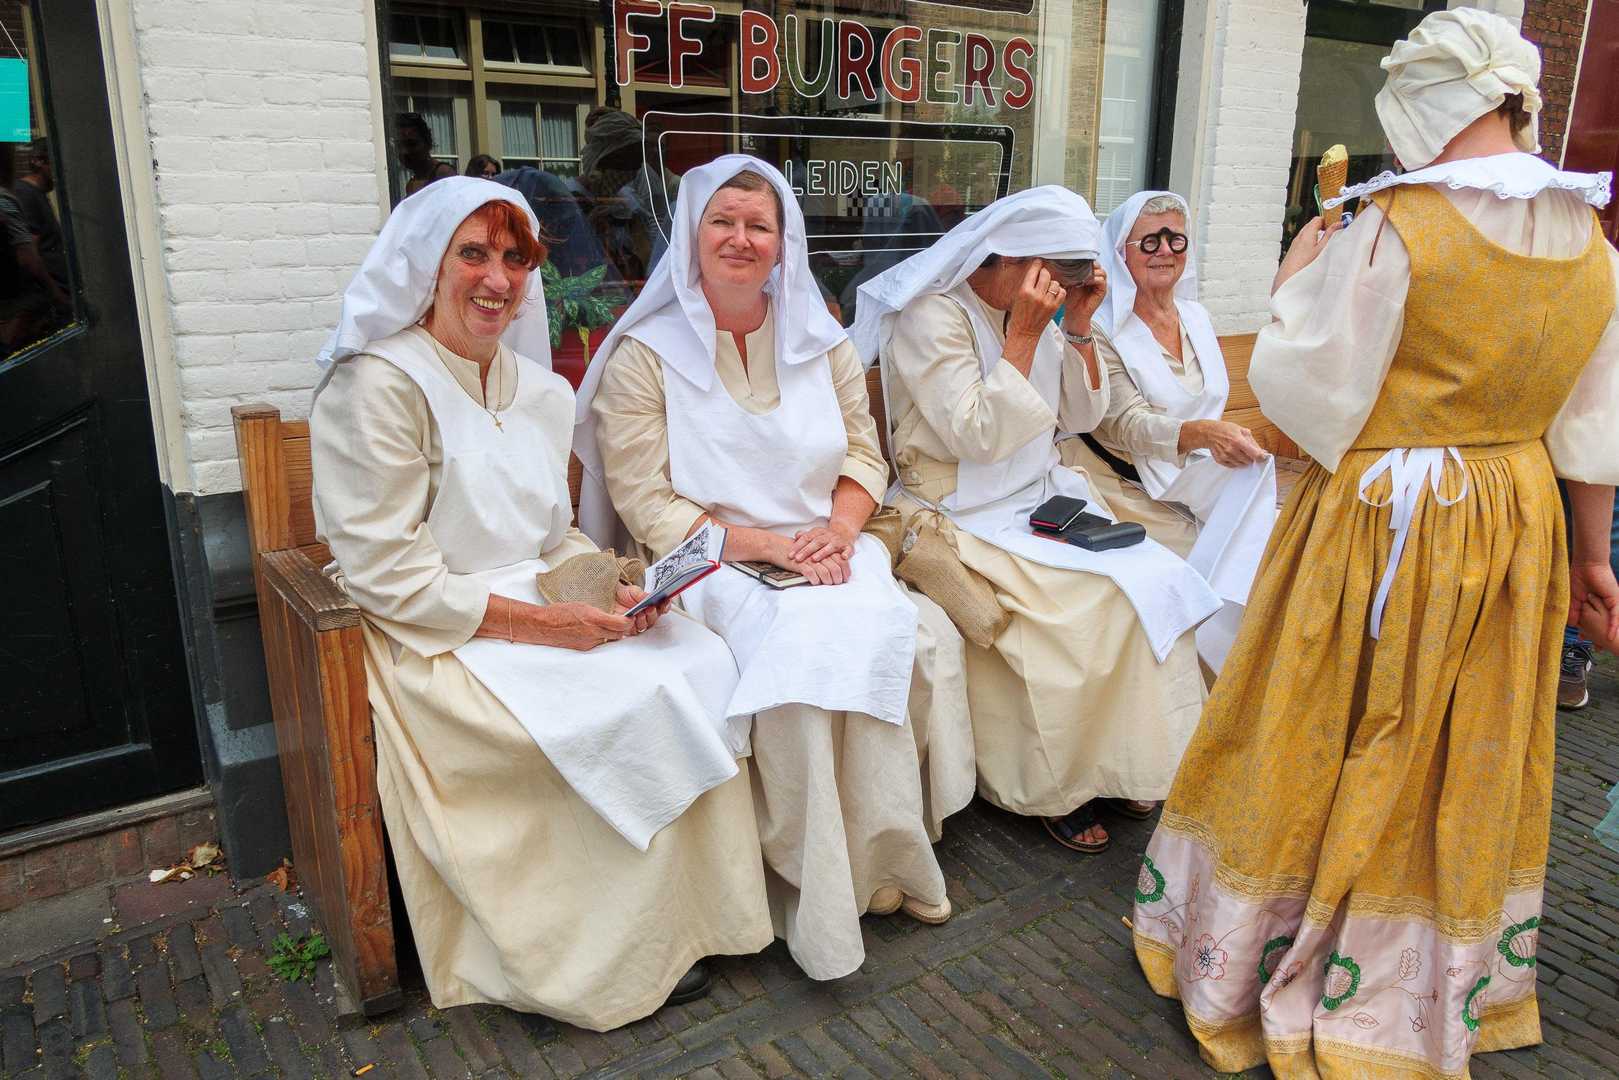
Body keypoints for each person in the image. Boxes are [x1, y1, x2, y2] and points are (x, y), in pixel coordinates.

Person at [1131, 11, 1619, 1076]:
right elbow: (1591, 425)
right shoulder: (1588, 236)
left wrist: (1296, 277)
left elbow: (1304, 394)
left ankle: (1267, 951)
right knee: (1458, 743)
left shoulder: (1396, 225)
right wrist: (1593, 558)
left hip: (1381, 517)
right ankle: (1413, 983)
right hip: (1514, 520)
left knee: (1315, 719)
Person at [309, 178, 772, 1030]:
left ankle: (691, 919)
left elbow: (551, 537)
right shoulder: (377, 386)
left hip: (535, 604)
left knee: (697, 659)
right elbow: (384, 574)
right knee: (597, 710)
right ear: (427, 264)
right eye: (473, 254)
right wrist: (538, 626)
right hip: (434, 629)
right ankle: (592, 957)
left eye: (515, 258)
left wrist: (612, 582)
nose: (497, 279)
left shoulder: (541, 389)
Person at [578, 155, 975, 981]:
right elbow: (646, 500)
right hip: (705, 558)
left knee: (878, 627)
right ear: (692, 236)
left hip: (826, 542)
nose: (740, 238)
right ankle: (815, 882)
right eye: (722, 222)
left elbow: (864, 453)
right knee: (792, 650)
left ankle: (885, 855)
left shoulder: (820, 340)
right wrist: (761, 546)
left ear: (782, 242)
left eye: (758, 225)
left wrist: (838, 529)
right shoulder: (644, 356)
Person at [850, 187, 1220, 855]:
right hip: (960, 509)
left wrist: (1075, 328)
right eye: (1055, 277)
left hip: (1040, 496)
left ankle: (1128, 758)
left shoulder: (1045, 312)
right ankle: (1061, 788)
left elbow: (1078, 417)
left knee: (1153, 582)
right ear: (1010, 258)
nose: (1059, 293)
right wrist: (1023, 335)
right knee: (1078, 612)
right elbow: (976, 435)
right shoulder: (931, 317)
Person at [1063, 191, 1278, 671]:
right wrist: (1203, 435)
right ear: (1121, 252)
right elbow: (1122, 424)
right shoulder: (1100, 328)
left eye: (1175, 239)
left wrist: (1219, 443)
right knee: (1196, 570)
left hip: (1200, 474)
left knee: (1271, 550)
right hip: (1125, 482)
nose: (1164, 251)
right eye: (1149, 241)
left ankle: (1245, 681)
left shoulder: (1196, 317)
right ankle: (1206, 679)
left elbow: (1210, 405)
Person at [12, 140, 67, 286]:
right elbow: (30, 253)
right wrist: (56, 293)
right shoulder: (26, 194)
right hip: (51, 292)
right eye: (56, 163)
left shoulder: (38, 194)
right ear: (39, 162)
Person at [395, 112, 456, 197]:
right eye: (400, 146)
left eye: (412, 144)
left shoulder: (444, 174)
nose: (405, 151)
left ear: (428, 143)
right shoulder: (411, 184)